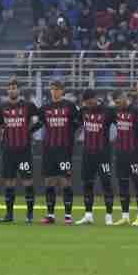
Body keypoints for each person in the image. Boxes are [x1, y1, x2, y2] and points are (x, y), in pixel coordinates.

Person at [0, 79, 42, 223]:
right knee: (9, 182)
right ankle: (9, 214)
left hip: (24, 151)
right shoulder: (2, 107)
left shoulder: (28, 106)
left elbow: (40, 121)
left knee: (27, 181)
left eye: (14, 87)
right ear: (7, 91)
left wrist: (29, 132)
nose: (11, 90)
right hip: (8, 150)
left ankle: (29, 214)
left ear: (18, 90)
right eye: (9, 88)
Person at [40, 80, 81, 225]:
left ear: (62, 90)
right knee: (49, 182)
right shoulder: (45, 108)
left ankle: (68, 216)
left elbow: (79, 122)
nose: (54, 91)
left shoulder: (69, 106)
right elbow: (41, 123)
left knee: (65, 181)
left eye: (57, 89)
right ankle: (50, 215)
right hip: (49, 150)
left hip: (64, 150)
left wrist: (71, 134)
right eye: (52, 89)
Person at [77, 89, 116, 226]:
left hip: (103, 154)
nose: (88, 105)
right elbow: (76, 126)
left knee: (106, 183)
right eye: (85, 103)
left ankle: (109, 216)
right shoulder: (83, 111)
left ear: (95, 98)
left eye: (89, 102)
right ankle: (88, 215)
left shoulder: (108, 111)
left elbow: (122, 127)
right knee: (87, 183)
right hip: (87, 153)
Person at [111, 91, 138, 225]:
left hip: (134, 154)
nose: (117, 105)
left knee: (137, 184)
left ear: (124, 98)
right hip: (120, 153)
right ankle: (125, 216)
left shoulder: (136, 111)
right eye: (115, 103)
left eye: (118, 102)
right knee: (122, 184)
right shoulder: (115, 112)